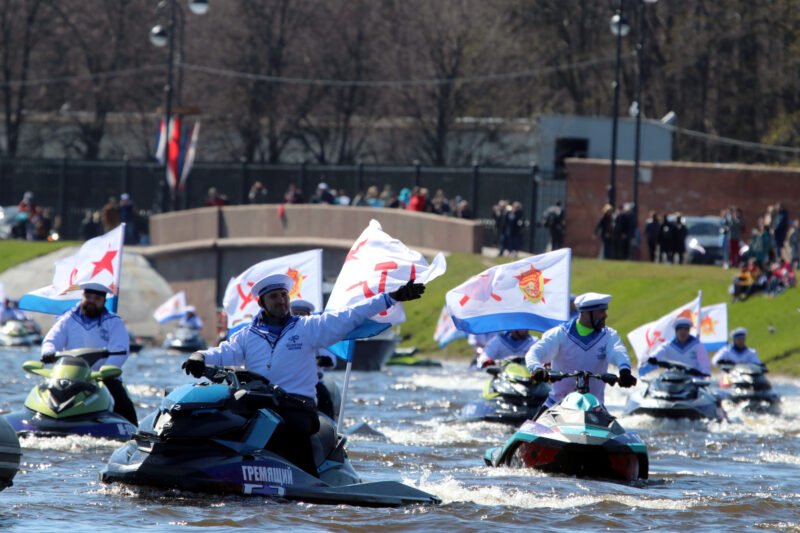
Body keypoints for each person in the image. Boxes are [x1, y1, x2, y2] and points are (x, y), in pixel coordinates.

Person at [182, 273, 425, 477]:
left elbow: (350, 315)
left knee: (287, 430)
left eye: (284, 295)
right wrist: (200, 357)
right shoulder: (247, 335)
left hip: (297, 409)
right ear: (261, 303)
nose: (281, 301)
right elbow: (224, 352)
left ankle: (308, 481)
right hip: (258, 407)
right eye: (274, 296)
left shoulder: (307, 328)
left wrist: (391, 297)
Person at [39, 281, 137, 425]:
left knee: (124, 405)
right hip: (69, 375)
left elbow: (121, 350)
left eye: (97, 299)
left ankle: (132, 432)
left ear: (104, 301)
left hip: (103, 378)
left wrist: (106, 371)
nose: (92, 301)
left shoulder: (114, 322)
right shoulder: (68, 319)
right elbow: (51, 340)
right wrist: (48, 352)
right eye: (88, 297)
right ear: (82, 297)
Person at [525, 292, 637, 410]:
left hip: (594, 407)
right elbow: (535, 352)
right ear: (587, 313)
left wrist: (625, 371)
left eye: (605, 311)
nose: (605, 316)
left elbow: (618, 351)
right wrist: (536, 368)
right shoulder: (560, 334)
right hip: (557, 404)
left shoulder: (609, 335)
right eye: (601, 312)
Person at [290, 298, 336, 419]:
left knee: (325, 400)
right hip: (290, 383)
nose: (299, 317)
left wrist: (321, 361)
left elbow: (331, 361)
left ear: (309, 316)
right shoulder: (284, 335)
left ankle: (330, 427)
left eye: (302, 314)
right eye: (296, 314)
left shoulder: (318, 336)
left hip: (314, 383)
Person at [638, 317, 711, 377]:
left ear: (689, 331)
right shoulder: (668, 345)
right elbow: (659, 352)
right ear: (676, 331)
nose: (683, 332)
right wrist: (653, 358)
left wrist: (704, 374)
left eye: (686, 329)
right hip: (672, 379)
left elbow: (705, 365)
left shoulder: (697, 346)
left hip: (692, 381)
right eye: (680, 329)